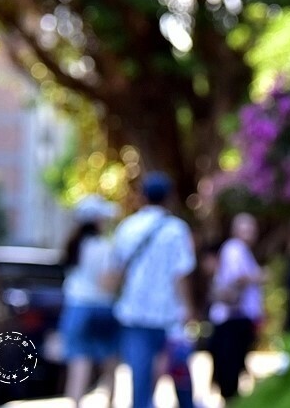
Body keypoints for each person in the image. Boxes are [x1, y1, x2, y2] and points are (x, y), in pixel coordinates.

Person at [110, 171, 196, 408]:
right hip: (168, 313)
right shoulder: (176, 230)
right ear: (169, 198)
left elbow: (117, 270)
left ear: (142, 196)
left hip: (134, 311)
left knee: (141, 377)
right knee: (180, 372)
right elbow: (181, 273)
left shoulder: (128, 227)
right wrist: (187, 307)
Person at [59, 194, 121, 408]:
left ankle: (76, 403)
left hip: (76, 308)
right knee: (110, 361)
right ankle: (110, 403)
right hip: (102, 308)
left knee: (79, 361)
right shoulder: (105, 247)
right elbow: (107, 284)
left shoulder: (72, 245)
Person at [208, 213, 265, 400]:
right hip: (233, 318)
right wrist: (260, 276)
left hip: (238, 319)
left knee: (234, 366)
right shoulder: (234, 249)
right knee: (230, 369)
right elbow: (237, 278)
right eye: (245, 229)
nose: (249, 233)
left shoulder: (243, 251)